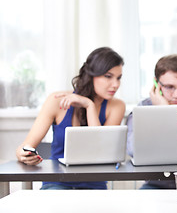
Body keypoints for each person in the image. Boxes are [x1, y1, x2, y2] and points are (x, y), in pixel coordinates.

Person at [16, 47, 126, 190]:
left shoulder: (116, 106)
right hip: (56, 183)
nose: (115, 84)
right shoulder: (56, 100)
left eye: (118, 78)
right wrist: (24, 154)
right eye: (108, 76)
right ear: (91, 74)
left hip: (95, 185)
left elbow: (100, 150)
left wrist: (89, 106)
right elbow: (25, 147)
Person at [126, 54, 177, 189]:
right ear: (156, 84)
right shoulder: (143, 109)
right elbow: (133, 150)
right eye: (169, 87)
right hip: (155, 183)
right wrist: (163, 110)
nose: (176, 94)